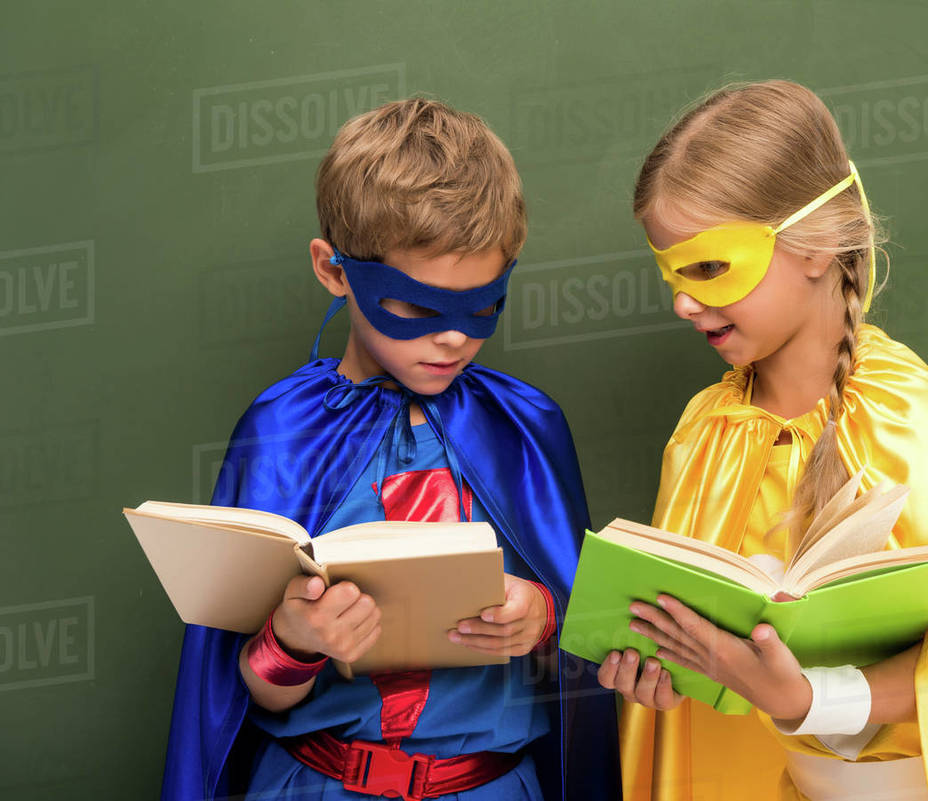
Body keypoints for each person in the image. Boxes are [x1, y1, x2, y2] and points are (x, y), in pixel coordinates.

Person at [598, 81, 928, 801]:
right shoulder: (709, 431)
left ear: (818, 243)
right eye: (671, 272)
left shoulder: (898, 413)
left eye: (710, 267)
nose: (681, 301)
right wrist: (668, 671)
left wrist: (808, 699)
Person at [160, 99, 620, 801]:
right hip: (314, 782)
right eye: (414, 307)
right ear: (334, 269)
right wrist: (294, 637)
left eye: (483, 307)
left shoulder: (526, 427)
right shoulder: (282, 430)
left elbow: (590, 665)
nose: (454, 340)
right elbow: (229, 695)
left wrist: (545, 618)